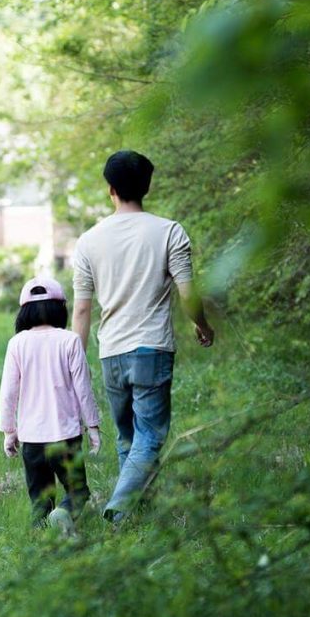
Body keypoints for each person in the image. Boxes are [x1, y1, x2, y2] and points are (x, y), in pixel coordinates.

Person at [71, 150, 214, 524]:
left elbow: (82, 310)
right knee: (148, 437)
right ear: (146, 187)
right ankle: (119, 510)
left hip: (111, 351)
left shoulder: (88, 241)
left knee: (128, 439)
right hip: (152, 348)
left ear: (111, 189)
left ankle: (137, 514)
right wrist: (203, 325)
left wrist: (74, 360)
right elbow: (188, 294)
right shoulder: (169, 231)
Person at [0, 276, 102, 535]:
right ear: (60, 308)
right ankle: (64, 515)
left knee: (40, 499)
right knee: (78, 491)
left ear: (24, 311)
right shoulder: (70, 340)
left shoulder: (17, 343)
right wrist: (93, 426)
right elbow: (83, 388)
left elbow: (8, 392)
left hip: (32, 438)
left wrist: (9, 431)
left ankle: (43, 541)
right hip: (65, 435)